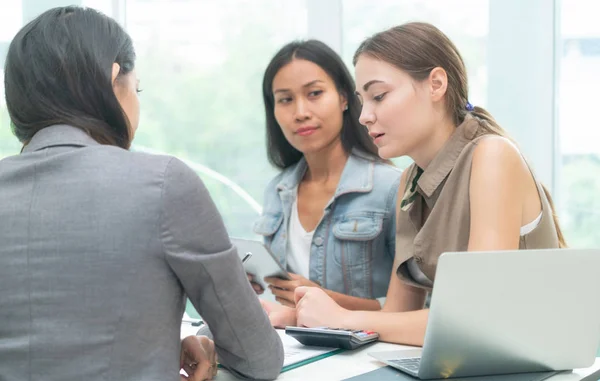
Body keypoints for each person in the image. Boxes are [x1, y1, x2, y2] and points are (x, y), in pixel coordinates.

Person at [0, 6, 282, 381]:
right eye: (138, 88)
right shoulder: (163, 183)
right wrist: (204, 341)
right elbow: (258, 357)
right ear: (114, 78)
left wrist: (155, 343)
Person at [264, 22, 566, 346]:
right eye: (362, 100)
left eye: (378, 96)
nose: (365, 115)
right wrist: (299, 317)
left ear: (436, 84)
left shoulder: (492, 155)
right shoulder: (410, 182)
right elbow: (396, 315)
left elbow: (480, 317)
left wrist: (343, 319)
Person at [253, 40, 402, 316]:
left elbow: (419, 308)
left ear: (345, 98)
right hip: (297, 351)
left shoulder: (391, 188)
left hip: (366, 355)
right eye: (285, 99)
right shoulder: (277, 191)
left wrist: (324, 299)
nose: (300, 113)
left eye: (314, 93)